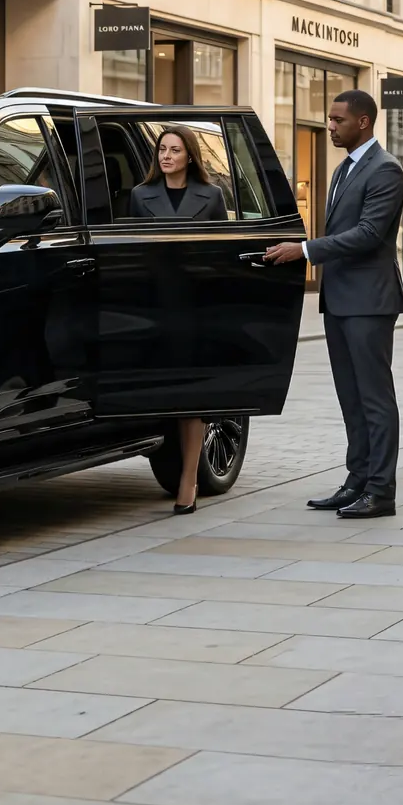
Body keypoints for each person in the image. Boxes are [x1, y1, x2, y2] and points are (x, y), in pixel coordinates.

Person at [265, 90, 403, 519]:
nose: (329, 126)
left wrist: (305, 250)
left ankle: (381, 491)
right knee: (350, 396)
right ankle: (357, 481)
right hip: (340, 299)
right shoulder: (343, 169)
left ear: (363, 122)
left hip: (370, 301)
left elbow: (368, 234)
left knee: (374, 398)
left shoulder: (386, 169)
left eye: (337, 120)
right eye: (329, 119)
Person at [130, 127, 229, 516]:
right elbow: (133, 255)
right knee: (160, 392)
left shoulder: (212, 196)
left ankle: (188, 478)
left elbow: (222, 256)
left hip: (194, 309)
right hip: (155, 307)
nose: (166, 156)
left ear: (190, 156)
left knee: (191, 399)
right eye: (162, 150)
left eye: (174, 150)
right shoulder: (140, 196)